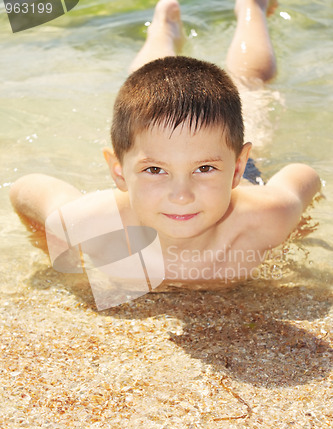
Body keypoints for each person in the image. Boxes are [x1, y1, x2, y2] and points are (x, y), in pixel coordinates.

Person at [10, 0, 321, 286]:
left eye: (203, 169)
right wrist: (66, 267)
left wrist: (291, 242)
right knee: (151, 91)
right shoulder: (95, 226)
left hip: (234, 168)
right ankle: (164, 26)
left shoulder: (265, 219)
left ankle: (251, 7)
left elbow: (304, 177)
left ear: (238, 167)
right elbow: (24, 190)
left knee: (251, 86)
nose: (182, 195)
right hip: (200, 152)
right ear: (118, 172)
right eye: (155, 170)